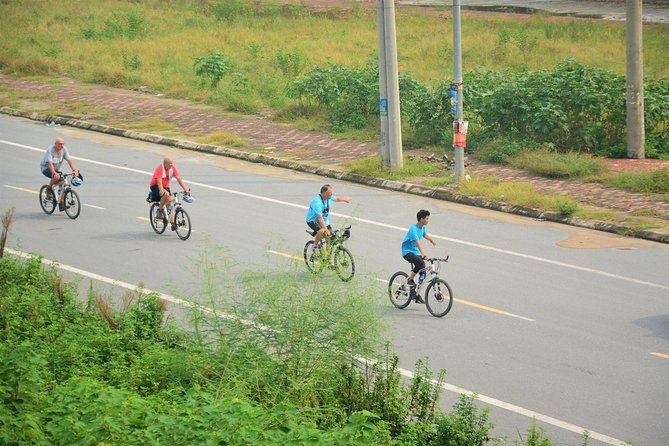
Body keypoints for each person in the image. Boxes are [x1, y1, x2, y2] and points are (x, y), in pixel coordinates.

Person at [401, 209, 436, 303]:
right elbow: (417, 242)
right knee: (420, 262)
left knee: (423, 271)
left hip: (415, 252)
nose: (428, 220)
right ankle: (410, 279)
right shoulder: (413, 229)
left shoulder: (422, 227)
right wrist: (423, 254)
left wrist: (431, 240)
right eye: (427, 219)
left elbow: (424, 234)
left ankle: (416, 294)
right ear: (421, 219)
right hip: (407, 252)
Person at [150, 157, 190, 230]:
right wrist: (161, 190)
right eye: (170, 163)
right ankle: (160, 209)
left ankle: (172, 223)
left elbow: (179, 179)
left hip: (166, 186)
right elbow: (159, 181)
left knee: (170, 204)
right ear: (165, 164)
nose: (172, 165)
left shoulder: (172, 169)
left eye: (172, 163)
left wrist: (185, 189)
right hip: (155, 186)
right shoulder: (159, 169)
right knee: (166, 194)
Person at [40, 137, 79, 211]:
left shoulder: (64, 149)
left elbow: (69, 160)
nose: (61, 146)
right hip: (46, 168)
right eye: (60, 144)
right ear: (55, 144)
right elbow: (49, 163)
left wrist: (74, 170)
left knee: (63, 183)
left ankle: (61, 203)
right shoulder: (50, 150)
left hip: (57, 169)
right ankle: (49, 189)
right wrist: (54, 173)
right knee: (56, 177)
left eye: (63, 144)